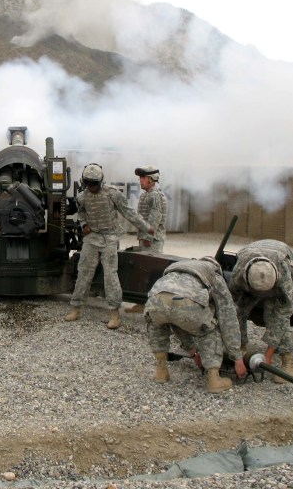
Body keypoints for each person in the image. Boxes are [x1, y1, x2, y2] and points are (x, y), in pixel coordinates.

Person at [64, 163, 151, 330]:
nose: (91, 187)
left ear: (100, 181)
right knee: (84, 273)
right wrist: (83, 225)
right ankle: (76, 308)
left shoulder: (112, 194)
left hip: (110, 237)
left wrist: (146, 227)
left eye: (94, 184)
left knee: (110, 276)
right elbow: (81, 212)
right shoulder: (83, 197)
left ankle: (114, 314)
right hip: (92, 237)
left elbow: (129, 212)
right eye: (88, 183)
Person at [144, 256, 247, 393]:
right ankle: (214, 379)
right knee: (209, 328)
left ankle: (161, 371)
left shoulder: (179, 267)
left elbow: (175, 319)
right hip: (186, 301)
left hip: (156, 298)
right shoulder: (214, 274)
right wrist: (237, 358)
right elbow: (227, 317)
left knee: (157, 322)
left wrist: (192, 352)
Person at [229, 239, 293, 383]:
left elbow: (282, 316)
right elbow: (230, 308)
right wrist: (238, 354)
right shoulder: (238, 273)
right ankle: (242, 348)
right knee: (236, 312)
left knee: (274, 314)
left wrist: (268, 356)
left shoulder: (283, 276)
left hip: (281, 259)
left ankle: (288, 360)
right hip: (250, 261)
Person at [134, 165, 167, 253]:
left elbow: (155, 217)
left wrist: (148, 237)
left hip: (152, 241)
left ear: (151, 179)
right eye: (140, 177)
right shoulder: (146, 194)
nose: (141, 180)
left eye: (143, 177)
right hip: (146, 238)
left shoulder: (154, 195)